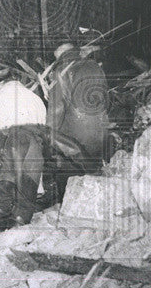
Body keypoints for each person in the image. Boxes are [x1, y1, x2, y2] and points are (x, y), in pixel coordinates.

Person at [0, 70, 49, 238]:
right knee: (24, 204)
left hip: (11, 149)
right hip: (33, 152)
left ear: (0, 85)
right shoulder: (37, 99)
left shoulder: (2, 96)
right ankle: (14, 244)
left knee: (1, 200)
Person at [46, 41, 110, 196]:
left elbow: (56, 111)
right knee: (94, 179)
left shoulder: (60, 72)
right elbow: (106, 101)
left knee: (70, 186)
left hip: (74, 139)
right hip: (99, 134)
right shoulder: (94, 66)